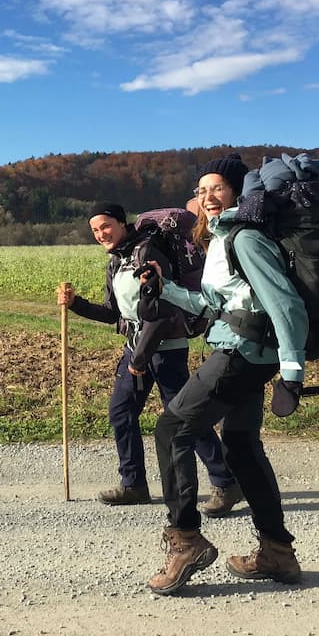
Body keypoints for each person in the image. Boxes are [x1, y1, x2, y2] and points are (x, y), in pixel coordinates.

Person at [139, 153, 308, 595]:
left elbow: (285, 304)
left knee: (172, 428)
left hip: (240, 356)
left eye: (216, 188)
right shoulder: (222, 238)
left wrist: (292, 373)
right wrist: (168, 288)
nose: (207, 197)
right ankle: (277, 551)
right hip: (244, 350)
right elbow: (217, 306)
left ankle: (186, 540)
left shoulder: (245, 238)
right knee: (240, 444)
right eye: (200, 190)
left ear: (237, 192)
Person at [56, 202, 242, 514]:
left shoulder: (148, 253)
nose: (101, 234)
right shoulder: (118, 261)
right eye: (95, 230)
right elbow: (114, 313)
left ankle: (225, 482)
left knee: (184, 418)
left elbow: (161, 314)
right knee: (121, 413)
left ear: (122, 223)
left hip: (165, 352)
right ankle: (134, 485)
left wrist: (139, 360)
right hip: (137, 351)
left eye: (106, 226)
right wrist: (76, 304)